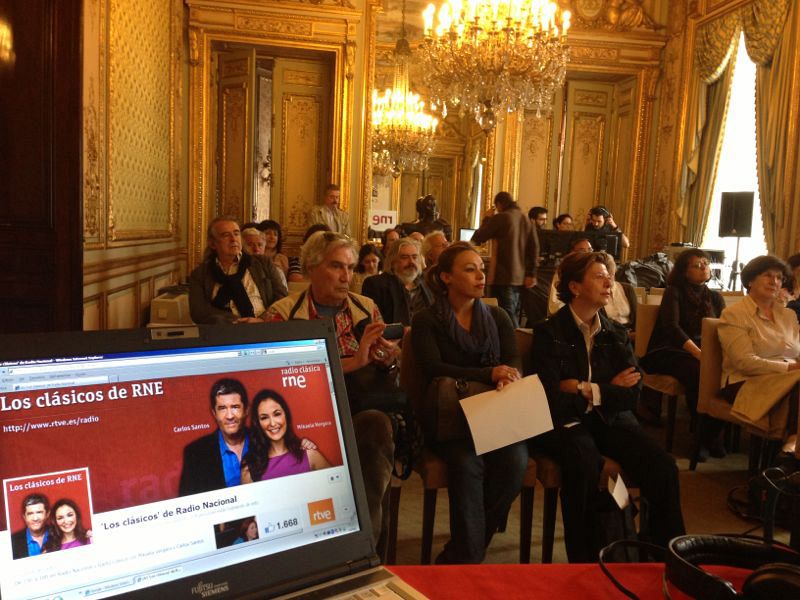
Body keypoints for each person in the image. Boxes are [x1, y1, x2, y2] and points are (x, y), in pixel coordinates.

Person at [530, 251, 684, 563]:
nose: (609, 282)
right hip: (564, 422)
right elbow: (548, 397)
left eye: (609, 276)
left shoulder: (614, 334)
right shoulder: (549, 333)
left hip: (610, 419)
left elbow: (633, 394)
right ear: (575, 287)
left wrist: (584, 388)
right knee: (583, 463)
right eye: (599, 276)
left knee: (663, 467)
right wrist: (609, 388)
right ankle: (584, 561)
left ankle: (669, 556)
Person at [264, 231, 398, 557]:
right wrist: (352, 363)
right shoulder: (283, 314)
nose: (346, 277)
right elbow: (275, 381)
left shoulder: (365, 308)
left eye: (350, 268)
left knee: (375, 427)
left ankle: (365, 551)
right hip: (303, 416)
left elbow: (386, 370)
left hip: (357, 411)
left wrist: (388, 358)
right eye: (337, 266)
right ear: (312, 267)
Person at [411, 242, 527, 564]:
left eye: (482, 269)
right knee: (466, 464)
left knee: (515, 461)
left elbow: (515, 362)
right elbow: (433, 368)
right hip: (451, 420)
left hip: (492, 414)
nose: (480, 276)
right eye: (470, 269)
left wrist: (508, 376)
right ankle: (469, 557)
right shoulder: (427, 320)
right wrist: (489, 372)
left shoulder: (498, 316)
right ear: (446, 277)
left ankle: (463, 553)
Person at [640, 249, 727, 459]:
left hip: (700, 352)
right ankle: (701, 439)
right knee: (699, 373)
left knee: (726, 372)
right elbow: (672, 328)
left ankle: (709, 434)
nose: (704, 268)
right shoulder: (674, 291)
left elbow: (723, 328)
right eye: (697, 265)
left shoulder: (715, 296)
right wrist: (699, 353)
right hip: (669, 350)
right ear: (684, 272)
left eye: (706, 263)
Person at [718, 255, 800, 457]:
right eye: (768, 276)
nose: (775, 282)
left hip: (786, 378)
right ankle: (792, 443)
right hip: (743, 381)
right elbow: (744, 362)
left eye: (779, 278)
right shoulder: (734, 314)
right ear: (750, 280)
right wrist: (790, 368)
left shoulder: (788, 315)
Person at [189, 216, 287, 324]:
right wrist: (236, 322)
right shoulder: (200, 274)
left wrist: (261, 319)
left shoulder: (263, 263)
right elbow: (198, 312)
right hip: (223, 331)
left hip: (264, 326)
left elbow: (282, 298)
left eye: (236, 234)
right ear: (213, 243)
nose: (233, 239)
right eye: (226, 235)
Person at [472, 191, 539, 328]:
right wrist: (531, 273)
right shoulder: (525, 219)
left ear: (499, 204)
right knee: (512, 313)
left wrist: (487, 218)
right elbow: (534, 248)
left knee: (505, 316)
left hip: (502, 276)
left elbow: (478, 237)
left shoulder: (502, 217)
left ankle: (515, 346)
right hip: (519, 277)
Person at [178, 378, 251, 496]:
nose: (229, 416)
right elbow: (188, 503)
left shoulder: (263, 440)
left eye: (235, 407)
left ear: (246, 410)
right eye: (222, 408)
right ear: (214, 413)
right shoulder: (195, 453)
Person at [241, 390, 331, 482]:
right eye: (264, 418)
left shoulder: (310, 455)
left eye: (277, 414)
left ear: (286, 416)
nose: (272, 423)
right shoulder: (249, 467)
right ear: (258, 423)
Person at [362, 237, 434, 327]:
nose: (411, 262)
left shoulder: (428, 284)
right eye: (405, 257)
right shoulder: (375, 285)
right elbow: (370, 324)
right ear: (392, 261)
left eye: (415, 257)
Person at [547, 236, 594, 316]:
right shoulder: (564, 271)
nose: (588, 254)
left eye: (589, 250)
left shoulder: (594, 270)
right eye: (582, 251)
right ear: (572, 252)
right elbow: (555, 304)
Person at [11, 493, 50, 559]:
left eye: (39, 512)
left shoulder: (58, 534)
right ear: (24, 517)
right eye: (30, 514)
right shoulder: (13, 541)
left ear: (47, 514)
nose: (35, 518)